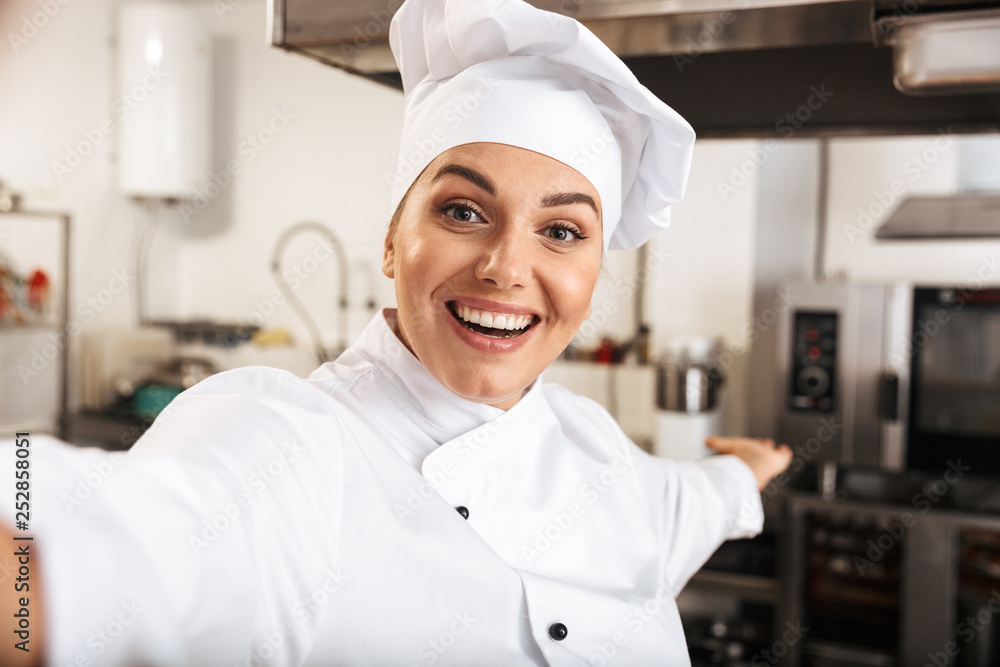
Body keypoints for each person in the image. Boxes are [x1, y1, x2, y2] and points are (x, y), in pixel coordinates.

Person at [1, 0, 792, 665]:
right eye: (463, 211)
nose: (506, 268)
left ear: (593, 275)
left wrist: (748, 471)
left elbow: (695, 498)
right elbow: (96, 558)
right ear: (391, 239)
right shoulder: (292, 444)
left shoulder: (601, 452)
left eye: (561, 231)